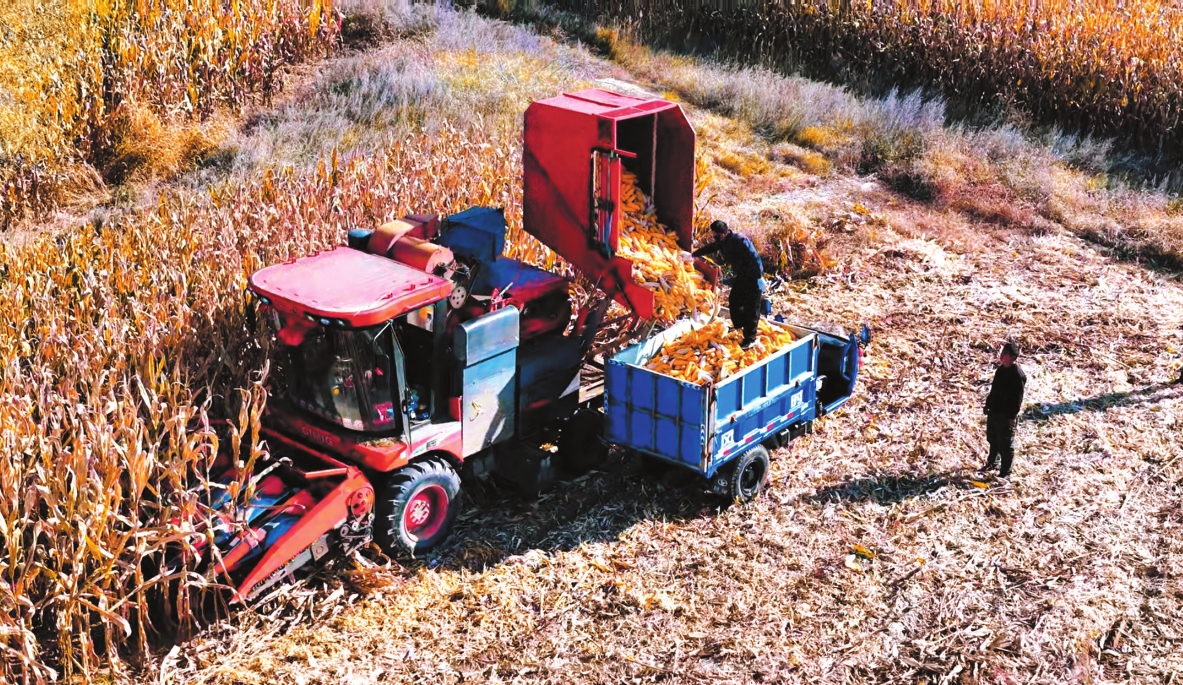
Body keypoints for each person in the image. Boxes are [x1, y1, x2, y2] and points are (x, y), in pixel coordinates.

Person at [692, 220, 766, 348]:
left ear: (721, 234)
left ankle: (750, 338)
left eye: (714, 234)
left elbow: (755, 259)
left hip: (752, 276)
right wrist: (694, 254)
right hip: (742, 275)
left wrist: (758, 277)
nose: (713, 236)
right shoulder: (724, 241)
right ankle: (740, 326)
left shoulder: (741, 241)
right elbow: (712, 247)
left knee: (751, 307)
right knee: (734, 300)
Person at [981, 342, 1027, 478]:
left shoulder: (1017, 375)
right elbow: (994, 390)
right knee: (993, 439)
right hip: (995, 411)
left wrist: (1012, 417)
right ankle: (992, 462)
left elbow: (1017, 399)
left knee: (1005, 444)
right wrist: (988, 404)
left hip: (1006, 415)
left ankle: (1005, 472)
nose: (1001, 355)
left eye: (1005, 353)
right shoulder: (1000, 370)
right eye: (1002, 352)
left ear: (1012, 357)